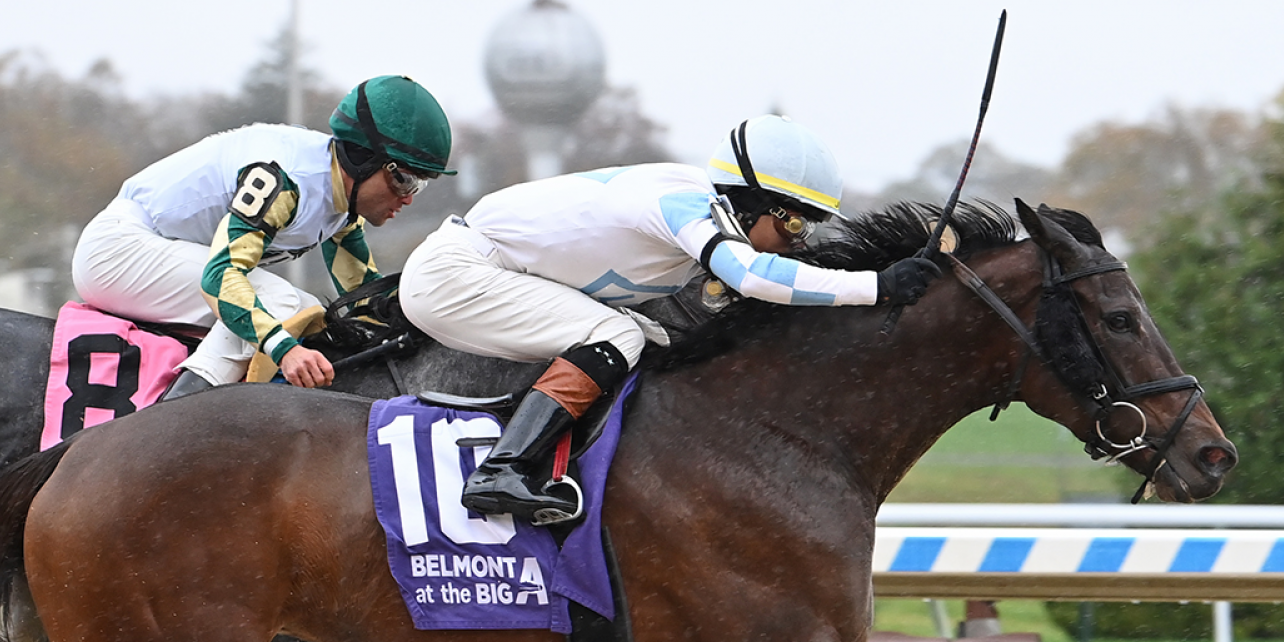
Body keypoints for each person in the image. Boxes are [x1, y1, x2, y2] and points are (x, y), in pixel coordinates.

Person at [397, 115, 941, 524]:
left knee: (644, 336)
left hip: (485, 273)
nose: (800, 242)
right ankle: (502, 470)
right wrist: (878, 286)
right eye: (796, 224)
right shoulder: (684, 205)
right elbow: (753, 276)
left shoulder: (696, 214)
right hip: (456, 275)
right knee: (616, 333)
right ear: (754, 204)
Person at [70, 75, 455, 394]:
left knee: (314, 314)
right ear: (363, 158)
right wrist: (285, 350)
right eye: (403, 180)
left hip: (156, 250)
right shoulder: (282, 180)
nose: (407, 199)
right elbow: (220, 278)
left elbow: (362, 299)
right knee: (286, 302)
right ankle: (174, 419)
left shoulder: (341, 199)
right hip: (117, 250)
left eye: (419, 186)